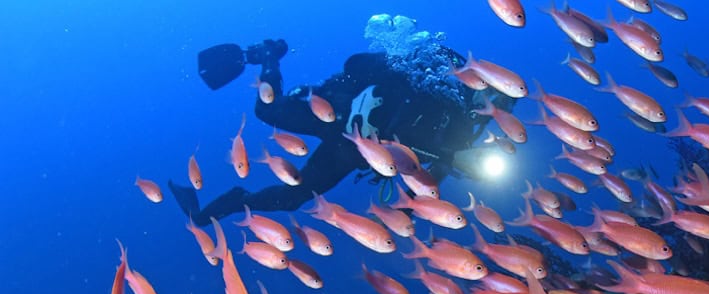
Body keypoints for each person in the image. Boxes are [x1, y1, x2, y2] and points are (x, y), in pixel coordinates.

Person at [173, 37, 502, 224]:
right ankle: (267, 57)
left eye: (501, 103)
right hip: (337, 112)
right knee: (266, 109)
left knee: (293, 198)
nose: (491, 105)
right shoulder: (425, 84)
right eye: (495, 93)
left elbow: (432, 177)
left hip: (351, 153)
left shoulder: (463, 129)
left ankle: (217, 208)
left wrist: (409, 211)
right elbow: (369, 75)